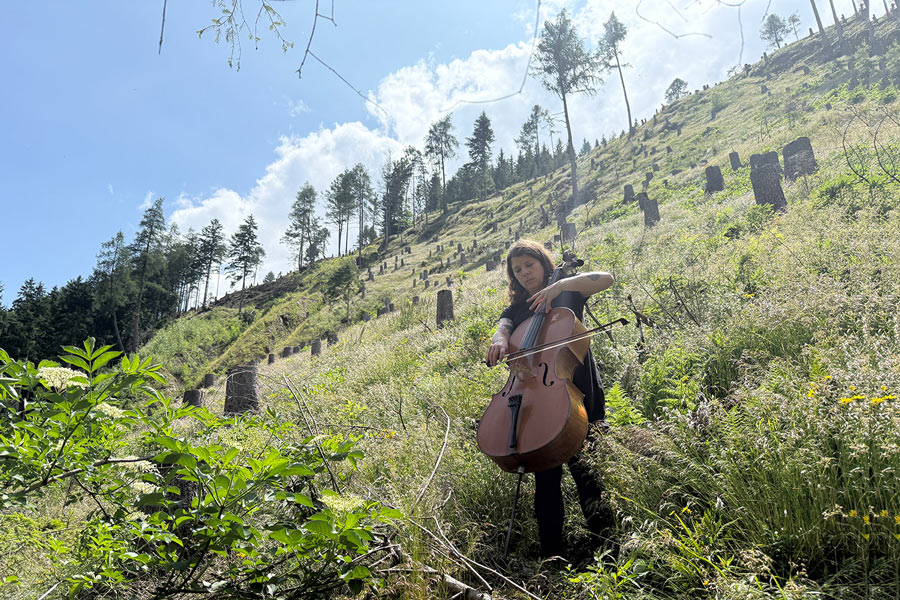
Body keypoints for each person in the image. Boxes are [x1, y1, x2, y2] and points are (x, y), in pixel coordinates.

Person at [485, 239, 615, 560]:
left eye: (529, 265)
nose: (524, 273)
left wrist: (560, 287)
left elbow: (606, 278)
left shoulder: (568, 293)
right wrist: (500, 338)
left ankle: (609, 550)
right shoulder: (516, 309)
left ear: (544, 264)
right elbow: (503, 328)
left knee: (589, 476)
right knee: (545, 480)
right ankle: (552, 556)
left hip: (580, 395)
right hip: (538, 404)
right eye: (517, 270)